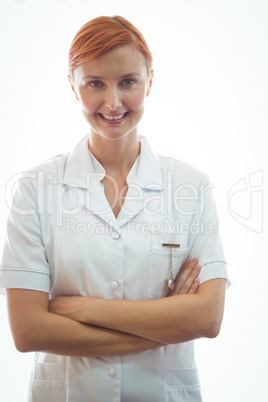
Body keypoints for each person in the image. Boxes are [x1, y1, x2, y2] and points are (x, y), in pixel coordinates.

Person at [0, 15, 229, 402]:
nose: (112, 102)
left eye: (127, 82)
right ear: (73, 87)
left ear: (149, 81)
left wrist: (79, 309)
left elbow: (206, 319)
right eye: (95, 83)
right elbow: (28, 332)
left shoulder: (191, 187)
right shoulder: (35, 190)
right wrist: (166, 321)